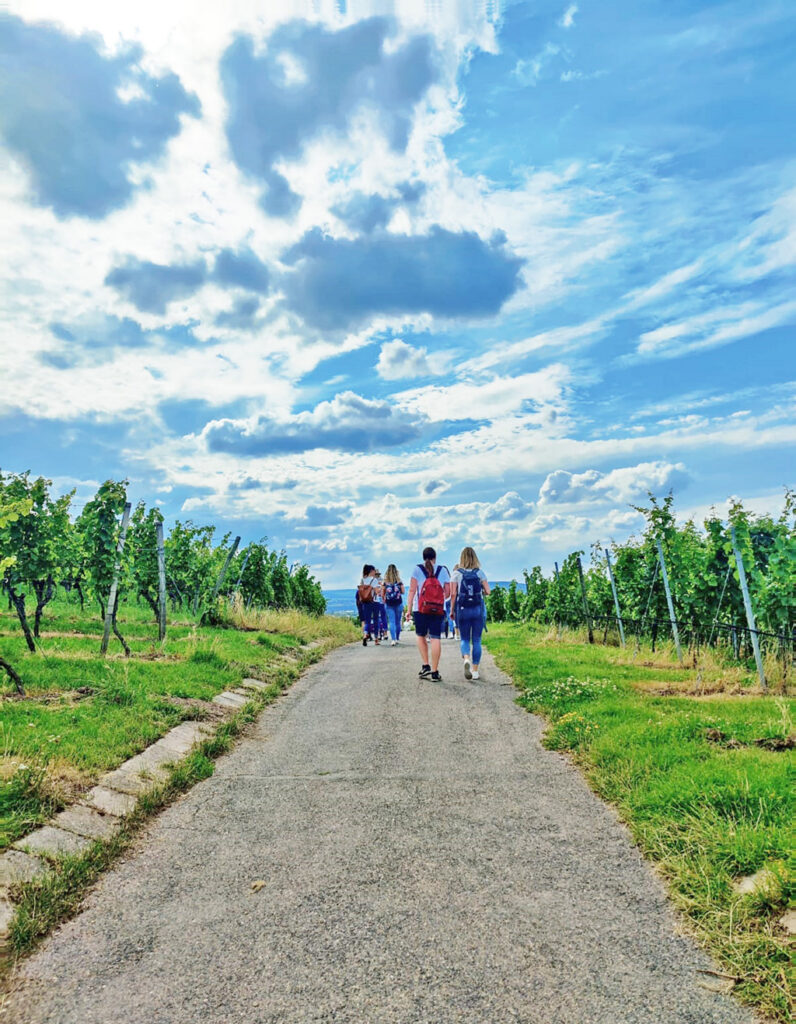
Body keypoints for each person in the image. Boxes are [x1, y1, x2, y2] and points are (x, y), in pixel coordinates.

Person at [405, 546, 450, 681]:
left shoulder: (417, 570)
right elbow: (447, 591)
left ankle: (426, 666)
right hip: (438, 609)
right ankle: (435, 672)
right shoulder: (443, 571)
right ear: (435, 557)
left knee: (421, 636)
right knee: (436, 638)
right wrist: (438, 598)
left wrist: (408, 610)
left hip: (420, 609)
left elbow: (412, 591)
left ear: (423, 557)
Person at [450, 547, 491, 680]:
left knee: (465, 639)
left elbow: (453, 594)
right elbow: (488, 591)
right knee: (477, 640)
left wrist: (451, 610)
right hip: (477, 609)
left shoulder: (456, 574)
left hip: (462, 609)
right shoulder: (479, 573)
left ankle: (466, 658)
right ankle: (475, 671)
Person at [357, 564, 381, 646]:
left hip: (365, 602)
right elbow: (377, 591)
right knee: (376, 620)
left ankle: (365, 634)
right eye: (374, 570)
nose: (375, 572)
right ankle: (376, 639)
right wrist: (380, 589)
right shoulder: (374, 580)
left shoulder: (362, 580)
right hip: (374, 601)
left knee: (367, 621)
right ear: (371, 571)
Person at [382, 564, 405, 645]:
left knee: (391, 622)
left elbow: (383, 593)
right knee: (397, 622)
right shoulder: (399, 581)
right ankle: (397, 638)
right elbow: (403, 591)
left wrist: (384, 599)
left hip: (389, 604)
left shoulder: (385, 582)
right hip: (398, 603)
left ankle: (393, 639)